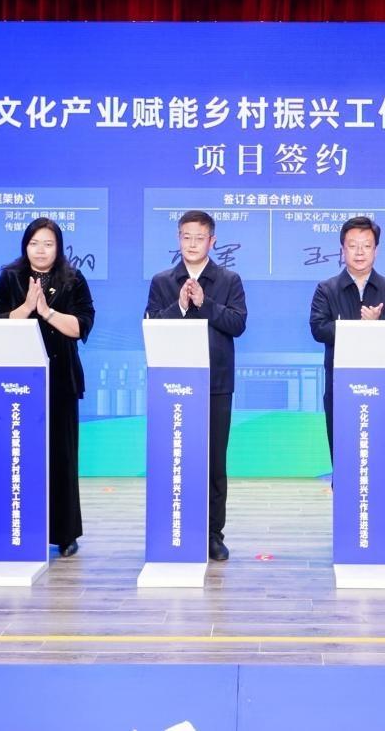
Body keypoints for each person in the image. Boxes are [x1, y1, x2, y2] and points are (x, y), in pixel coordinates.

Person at [0, 217, 95, 558]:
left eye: (48, 244)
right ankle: (21, 528)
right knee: (21, 456)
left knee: (62, 458)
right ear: (25, 245)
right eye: (34, 243)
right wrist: (25, 308)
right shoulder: (10, 277)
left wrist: (46, 312)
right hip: (17, 381)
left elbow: (81, 326)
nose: (41, 250)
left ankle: (65, 534)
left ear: (58, 247)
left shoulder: (73, 279)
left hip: (61, 379)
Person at [145, 210, 247, 562]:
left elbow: (238, 324)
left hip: (215, 384)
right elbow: (151, 325)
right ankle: (175, 528)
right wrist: (180, 306)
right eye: (186, 237)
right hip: (173, 385)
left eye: (199, 238)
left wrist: (205, 304)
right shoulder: (162, 281)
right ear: (178, 239)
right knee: (176, 459)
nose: (192, 244)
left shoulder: (229, 280)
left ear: (212, 241)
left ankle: (212, 534)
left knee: (214, 463)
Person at [309, 216, 385, 558]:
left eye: (366, 246)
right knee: (345, 460)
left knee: (377, 461)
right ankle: (348, 529)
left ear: (376, 250)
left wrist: (380, 324)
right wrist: (358, 327)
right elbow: (318, 328)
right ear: (342, 249)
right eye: (352, 245)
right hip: (341, 389)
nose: (359, 252)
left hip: (380, 389)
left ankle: (381, 530)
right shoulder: (327, 289)